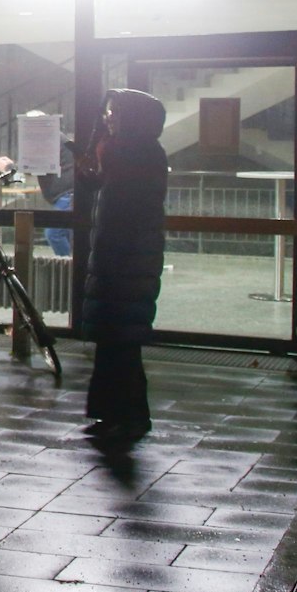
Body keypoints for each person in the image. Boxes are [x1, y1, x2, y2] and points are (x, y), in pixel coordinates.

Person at [79, 89, 169, 441]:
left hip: (125, 263)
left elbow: (125, 207)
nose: (108, 118)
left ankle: (125, 413)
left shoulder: (138, 154)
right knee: (115, 341)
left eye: (115, 112)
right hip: (120, 261)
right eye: (107, 112)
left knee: (120, 341)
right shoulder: (131, 152)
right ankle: (115, 412)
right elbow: (106, 189)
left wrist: (102, 159)